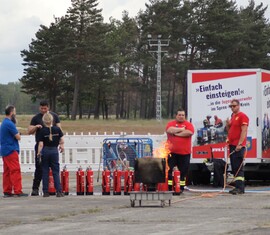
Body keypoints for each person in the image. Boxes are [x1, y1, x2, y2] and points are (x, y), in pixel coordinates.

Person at [28, 100, 61, 196]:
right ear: (39, 108)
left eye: (45, 108)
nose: (43, 110)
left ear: (48, 108)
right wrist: (36, 127)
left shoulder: (54, 116)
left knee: (52, 169)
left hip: (51, 145)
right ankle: (35, 188)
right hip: (40, 145)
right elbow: (29, 131)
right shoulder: (35, 118)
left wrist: (59, 143)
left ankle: (52, 189)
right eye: (41, 108)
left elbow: (59, 129)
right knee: (39, 168)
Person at [0, 105, 28, 197]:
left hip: (5, 150)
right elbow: (18, 137)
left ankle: (7, 190)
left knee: (7, 171)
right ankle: (18, 190)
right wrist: (18, 134)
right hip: (11, 149)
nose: (15, 114)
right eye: (15, 112)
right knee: (15, 170)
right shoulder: (10, 123)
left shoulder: (4, 123)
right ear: (11, 113)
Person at [166, 108, 194, 194]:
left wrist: (175, 134)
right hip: (172, 153)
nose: (181, 117)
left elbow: (189, 132)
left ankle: (181, 187)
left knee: (183, 172)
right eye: (179, 115)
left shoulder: (188, 124)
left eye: (183, 115)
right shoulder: (171, 123)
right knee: (170, 171)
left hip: (184, 153)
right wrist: (181, 129)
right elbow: (169, 130)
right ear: (176, 116)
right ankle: (170, 187)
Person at [37, 112, 64, 197]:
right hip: (54, 151)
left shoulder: (42, 131)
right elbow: (62, 140)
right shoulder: (57, 129)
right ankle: (59, 191)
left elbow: (41, 144)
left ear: (43, 121)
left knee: (45, 171)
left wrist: (38, 153)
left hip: (46, 150)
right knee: (55, 171)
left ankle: (45, 191)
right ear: (52, 120)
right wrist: (61, 146)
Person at [226, 99, 249, 195]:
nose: (232, 108)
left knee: (238, 167)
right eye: (231, 106)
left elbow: (244, 130)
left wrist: (240, 144)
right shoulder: (233, 117)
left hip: (238, 146)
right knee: (235, 167)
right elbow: (229, 130)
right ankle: (237, 187)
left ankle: (240, 188)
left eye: (234, 106)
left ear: (238, 106)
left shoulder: (242, 116)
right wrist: (227, 124)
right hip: (232, 145)